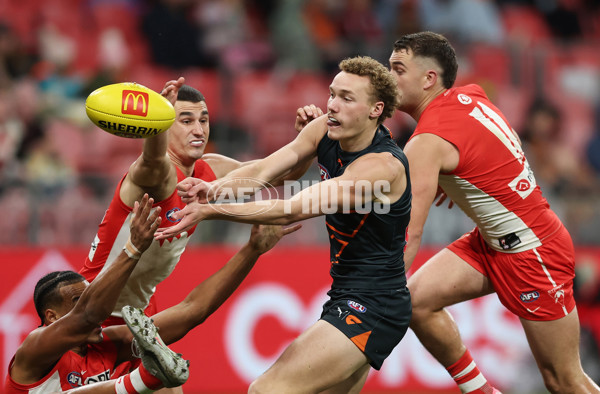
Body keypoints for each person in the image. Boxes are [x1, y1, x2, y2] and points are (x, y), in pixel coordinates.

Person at [155, 56, 412, 393]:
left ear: (375, 109)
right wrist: (212, 190)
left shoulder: (380, 168)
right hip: (346, 294)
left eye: (347, 98)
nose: (332, 105)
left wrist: (212, 211)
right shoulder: (324, 131)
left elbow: (291, 208)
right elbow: (264, 171)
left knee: (265, 390)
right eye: (332, 94)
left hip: (373, 306)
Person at [388, 31, 600, 394]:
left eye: (398, 69)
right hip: (491, 241)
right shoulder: (472, 94)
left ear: (429, 79)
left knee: (564, 381)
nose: (388, 77)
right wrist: (460, 179)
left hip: (534, 252)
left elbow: (410, 231)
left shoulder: (426, 142)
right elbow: (497, 144)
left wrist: (382, 287)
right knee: (417, 302)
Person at [79, 77, 320, 326]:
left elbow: (284, 176)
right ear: (165, 124)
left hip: (137, 317)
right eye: (186, 121)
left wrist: (307, 140)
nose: (199, 130)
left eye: (203, 120)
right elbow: (152, 160)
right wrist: (156, 120)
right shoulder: (154, 175)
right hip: (88, 313)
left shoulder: (211, 169)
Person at [5, 193, 300, 393]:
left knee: (158, 356)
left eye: (87, 295)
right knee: (155, 372)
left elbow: (192, 310)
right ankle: (143, 379)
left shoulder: (105, 345)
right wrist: (132, 249)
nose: (91, 305)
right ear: (50, 316)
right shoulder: (34, 349)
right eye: (77, 301)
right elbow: (88, 315)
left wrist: (252, 251)